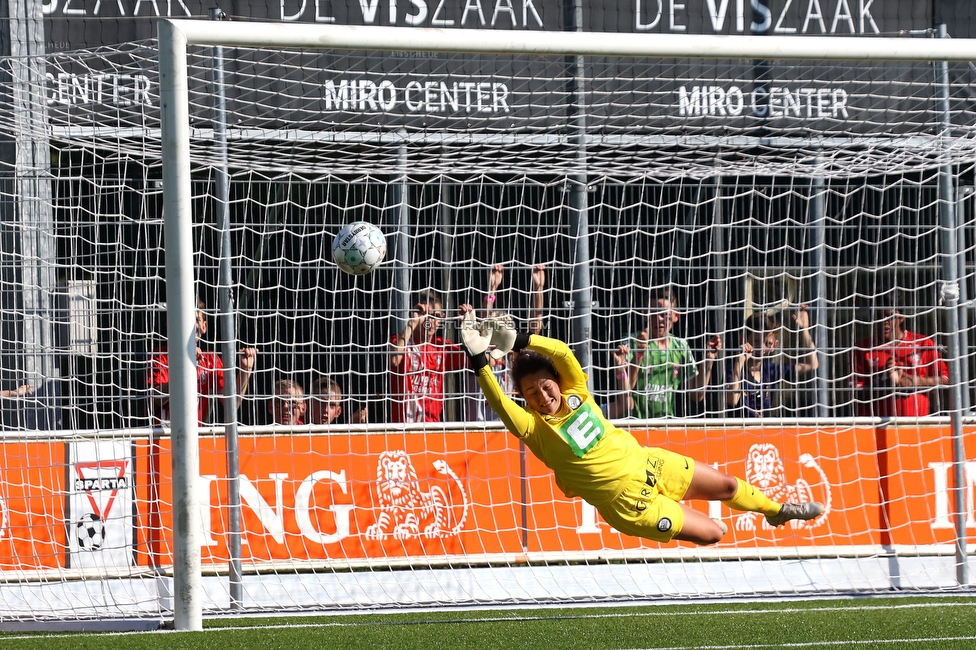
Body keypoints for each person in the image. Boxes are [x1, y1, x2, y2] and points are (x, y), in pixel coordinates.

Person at [459, 311, 824, 545]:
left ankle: (777, 511)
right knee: (714, 534)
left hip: (649, 463)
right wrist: (479, 362)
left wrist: (520, 341)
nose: (541, 395)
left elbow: (564, 353)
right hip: (631, 506)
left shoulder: (577, 391)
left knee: (728, 486)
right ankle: (679, 512)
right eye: (531, 393)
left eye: (545, 385)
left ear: (556, 382)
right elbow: (501, 405)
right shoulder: (535, 429)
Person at [148, 301, 258, 425]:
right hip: (164, 437)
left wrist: (245, 369)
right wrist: (185, 365)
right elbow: (157, 398)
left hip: (197, 436)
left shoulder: (210, 359)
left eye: (195, 319)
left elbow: (232, 403)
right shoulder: (160, 355)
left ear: (204, 327)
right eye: (184, 318)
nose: (190, 324)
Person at [620, 287, 722, 418]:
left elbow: (697, 395)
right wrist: (639, 354)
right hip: (634, 425)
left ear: (675, 316)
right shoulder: (630, 342)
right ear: (645, 313)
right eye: (653, 312)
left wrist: (709, 359)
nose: (659, 318)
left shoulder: (681, 346)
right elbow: (625, 389)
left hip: (667, 426)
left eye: (664, 314)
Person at [464, 264, 547, 422]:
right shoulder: (479, 355)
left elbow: (534, 329)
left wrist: (539, 288)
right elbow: (483, 319)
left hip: (507, 427)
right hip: (478, 428)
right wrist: (492, 288)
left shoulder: (512, 363)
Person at [852, 298, 948, 418]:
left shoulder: (923, 344)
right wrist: (885, 380)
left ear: (901, 318)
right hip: (875, 426)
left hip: (919, 424)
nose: (884, 321)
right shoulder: (862, 349)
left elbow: (945, 380)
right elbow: (854, 393)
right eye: (878, 316)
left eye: (890, 316)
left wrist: (913, 381)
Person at [389, 289, 467, 423]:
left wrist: (469, 328)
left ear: (442, 318)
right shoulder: (401, 340)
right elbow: (395, 360)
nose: (431, 321)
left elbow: (486, 360)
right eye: (426, 315)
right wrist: (411, 323)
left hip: (432, 428)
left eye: (435, 316)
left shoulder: (442, 347)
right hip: (403, 427)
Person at [726, 306, 819, 417]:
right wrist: (739, 362)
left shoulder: (771, 370)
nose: (761, 347)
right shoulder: (733, 369)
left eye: (768, 344)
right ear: (743, 338)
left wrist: (804, 330)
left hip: (766, 431)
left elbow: (812, 364)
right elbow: (733, 401)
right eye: (756, 341)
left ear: (775, 346)